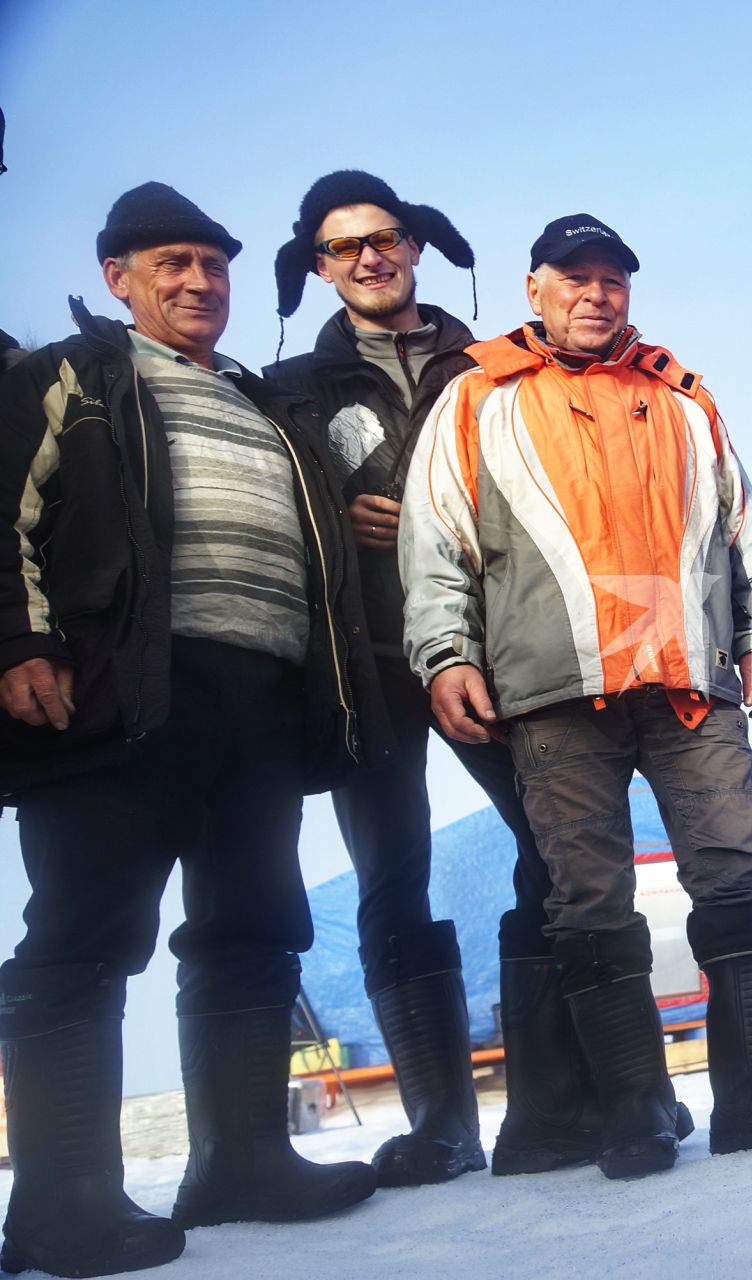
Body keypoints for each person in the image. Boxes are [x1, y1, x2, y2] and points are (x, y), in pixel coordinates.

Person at [399, 214, 752, 1180]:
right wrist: (444, 654)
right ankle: (637, 1106)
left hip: (690, 682)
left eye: (613, 280)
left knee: (741, 866)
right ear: (535, 290)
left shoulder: (685, 400)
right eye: (576, 277)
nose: (597, 294)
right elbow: (435, 539)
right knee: (586, 894)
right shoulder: (476, 398)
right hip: (553, 692)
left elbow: (745, 531)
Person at [0, 184, 387, 1277]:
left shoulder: (270, 406)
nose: (197, 281)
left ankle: (241, 1158)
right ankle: (60, 1198)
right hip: (118, 691)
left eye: (212, 263)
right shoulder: (69, 376)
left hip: (260, 694)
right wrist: (18, 646)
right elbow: (3, 519)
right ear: (117, 277)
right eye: (168, 262)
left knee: (255, 922)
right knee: (83, 928)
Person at [264, 170, 532, 1186]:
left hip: (492, 653)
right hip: (365, 664)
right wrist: (338, 518)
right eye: (344, 247)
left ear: (418, 245)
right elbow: (258, 504)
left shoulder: (495, 364)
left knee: (552, 849)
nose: (370, 258)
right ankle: (443, 1123)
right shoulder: (287, 385)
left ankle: (555, 1093)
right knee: (392, 875)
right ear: (319, 267)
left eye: (387, 237)